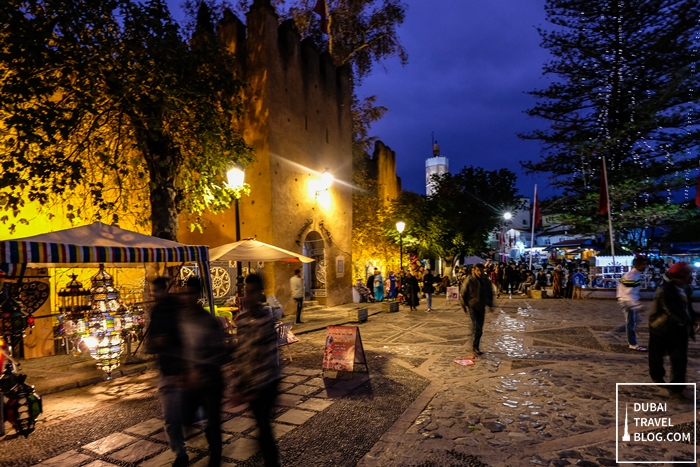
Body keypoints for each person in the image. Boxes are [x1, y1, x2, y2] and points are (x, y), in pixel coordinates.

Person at [179, 276, 226, 467]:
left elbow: (219, 352)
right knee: (185, 418)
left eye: (191, 293)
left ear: (197, 295)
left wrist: (202, 369)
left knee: (212, 423)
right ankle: (183, 456)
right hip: (191, 381)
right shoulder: (182, 319)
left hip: (210, 381)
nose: (187, 298)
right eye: (185, 294)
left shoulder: (208, 321)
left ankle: (215, 458)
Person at [236, 274, 282, 466]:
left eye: (252, 292)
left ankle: (271, 461)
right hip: (250, 383)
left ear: (260, 293)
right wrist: (240, 381)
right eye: (246, 292)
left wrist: (254, 387)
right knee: (261, 425)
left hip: (267, 382)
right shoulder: (242, 320)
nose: (248, 296)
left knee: (263, 425)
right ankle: (266, 453)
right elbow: (242, 352)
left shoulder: (266, 319)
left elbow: (267, 356)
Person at [145, 277, 189, 467]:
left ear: (164, 290)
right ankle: (181, 454)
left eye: (156, 292)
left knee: (185, 416)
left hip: (180, 370)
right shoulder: (156, 312)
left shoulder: (177, 310)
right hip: (166, 371)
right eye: (153, 292)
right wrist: (155, 343)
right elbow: (150, 343)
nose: (154, 295)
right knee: (171, 418)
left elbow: (186, 338)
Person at [648, 262, 697, 399]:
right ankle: (657, 376)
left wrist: (695, 318)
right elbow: (672, 311)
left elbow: (688, 309)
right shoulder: (665, 290)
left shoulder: (686, 289)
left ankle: (677, 390)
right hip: (661, 328)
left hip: (679, 331)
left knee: (679, 360)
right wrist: (687, 321)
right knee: (656, 357)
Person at [460, 263, 494, 355]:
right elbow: (463, 293)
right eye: (478, 270)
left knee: (480, 327)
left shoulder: (485, 280)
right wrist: (463, 306)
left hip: (481, 306)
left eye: (481, 270)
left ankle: (476, 344)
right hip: (472, 305)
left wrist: (490, 304)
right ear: (474, 270)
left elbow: (489, 292)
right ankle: (475, 346)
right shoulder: (469, 280)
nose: (480, 272)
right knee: (477, 326)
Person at [617, 256, 648, 351]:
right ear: (638, 265)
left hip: (628, 300)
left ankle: (615, 332)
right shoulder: (631, 275)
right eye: (644, 264)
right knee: (631, 322)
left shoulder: (635, 274)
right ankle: (632, 343)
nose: (645, 266)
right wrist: (636, 305)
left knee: (633, 321)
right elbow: (628, 293)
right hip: (627, 301)